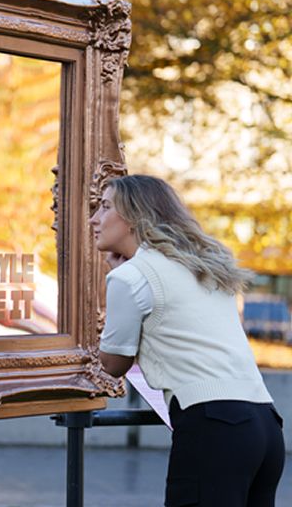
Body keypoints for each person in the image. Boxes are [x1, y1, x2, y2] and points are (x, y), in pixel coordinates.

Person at [89, 174, 284, 507]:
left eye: (105, 207)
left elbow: (113, 364)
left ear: (135, 216)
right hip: (265, 424)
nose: (94, 218)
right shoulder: (202, 266)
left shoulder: (129, 276)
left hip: (214, 428)